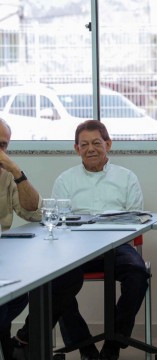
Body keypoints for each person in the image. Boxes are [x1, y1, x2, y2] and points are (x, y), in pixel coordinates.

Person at [52, 120, 149, 360]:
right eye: (84, 144)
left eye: (96, 143)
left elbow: (136, 219)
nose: (91, 149)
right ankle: (85, 348)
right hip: (75, 248)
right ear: (77, 149)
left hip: (117, 246)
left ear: (108, 144)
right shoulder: (65, 180)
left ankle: (113, 345)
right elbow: (58, 220)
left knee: (138, 274)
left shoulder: (127, 178)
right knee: (53, 280)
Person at [0, 118, 83, 360]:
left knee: (59, 279)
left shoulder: (6, 175)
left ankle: (20, 343)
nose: (0, 152)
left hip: (4, 255)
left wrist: (15, 171)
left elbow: (34, 212)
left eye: (4, 146)